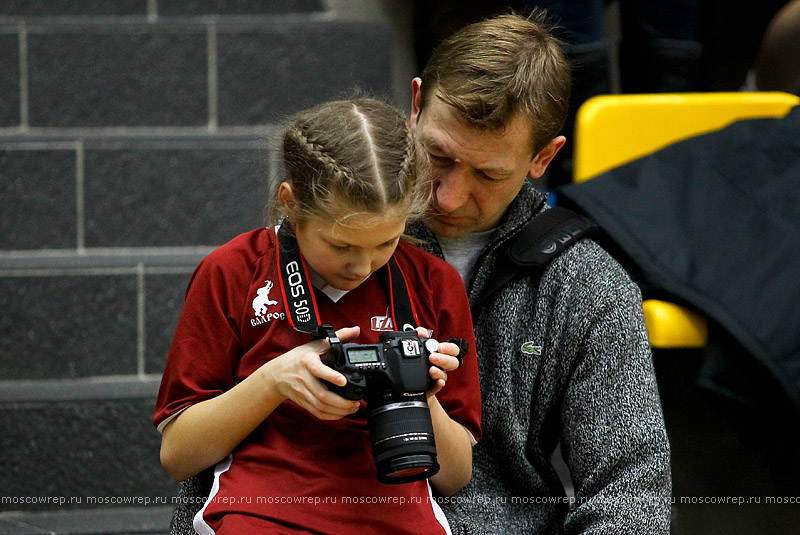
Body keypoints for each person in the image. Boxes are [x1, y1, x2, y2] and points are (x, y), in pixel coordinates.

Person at [153, 97, 481, 534]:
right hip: (262, 511)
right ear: (289, 203)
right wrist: (274, 381)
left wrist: (422, 389)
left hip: (397, 513)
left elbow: (455, 476)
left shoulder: (434, 283)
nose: (362, 267)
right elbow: (178, 455)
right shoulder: (233, 272)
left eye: (387, 243)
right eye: (341, 246)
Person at [405, 11, 672, 533]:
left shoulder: (590, 287)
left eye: (487, 173)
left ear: (544, 157)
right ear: (415, 106)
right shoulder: (336, 233)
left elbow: (632, 494)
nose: (450, 195)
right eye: (437, 154)